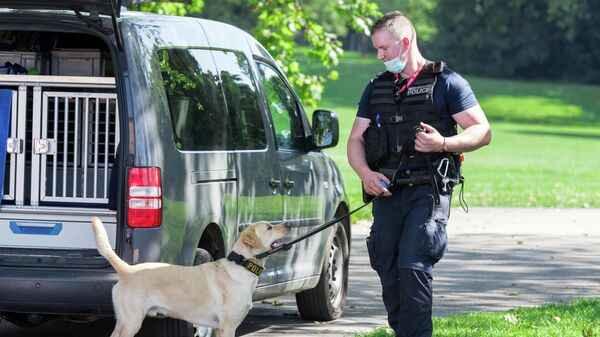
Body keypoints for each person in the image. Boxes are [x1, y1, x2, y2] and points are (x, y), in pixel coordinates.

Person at [347, 11, 491, 337]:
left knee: (413, 265)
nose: (379, 56)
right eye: (377, 49)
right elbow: (355, 138)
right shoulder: (376, 88)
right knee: (388, 267)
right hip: (386, 193)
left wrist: (442, 142)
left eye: (384, 48)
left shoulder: (447, 83)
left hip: (427, 191)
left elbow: (482, 131)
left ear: (406, 42)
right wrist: (366, 174)